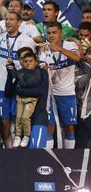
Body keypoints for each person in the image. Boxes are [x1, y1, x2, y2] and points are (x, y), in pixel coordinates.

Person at [0, 12, 36, 149]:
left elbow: (31, 65)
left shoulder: (27, 41)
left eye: (11, 20)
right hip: (2, 87)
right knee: (4, 121)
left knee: (19, 120)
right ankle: (9, 150)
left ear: (19, 23)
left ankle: (20, 152)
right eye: (6, 19)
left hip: (20, 88)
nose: (8, 22)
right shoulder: (0, 38)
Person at [38, 21, 80, 149]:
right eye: (49, 33)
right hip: (50, 95)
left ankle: (70, 157)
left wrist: (60, 49)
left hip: (67, 94)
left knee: (69, 126)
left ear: (61, 33)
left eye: (54, 32)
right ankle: (49, 157)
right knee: (50, 126)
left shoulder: (69, 44)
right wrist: (44, 69)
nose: (51, 35)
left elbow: (77, 58)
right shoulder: (44, 49)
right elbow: (41, 66)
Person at [5, 47, 49, 149]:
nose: (25, 62)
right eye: (21, 59)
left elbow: (40, 92)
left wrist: (19, 91)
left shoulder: (42, 73)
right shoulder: (20, 74)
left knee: (37, 152)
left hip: (38, 119)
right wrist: (10, 74)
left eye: (29, 58)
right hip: (21, 124)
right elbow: (8, 93)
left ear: (34, 60)